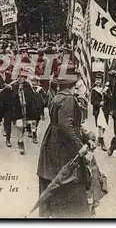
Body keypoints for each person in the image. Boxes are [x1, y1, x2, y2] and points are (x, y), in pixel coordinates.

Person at [37, 65, 95, 218]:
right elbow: (66, 126)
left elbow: (66, 123)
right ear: (73, 84)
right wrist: (81, 147)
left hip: (52, 140)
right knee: (68, 177)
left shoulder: (57, 96)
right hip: (63, 145)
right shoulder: (69, 99)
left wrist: (85, 134)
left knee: (54, 175)